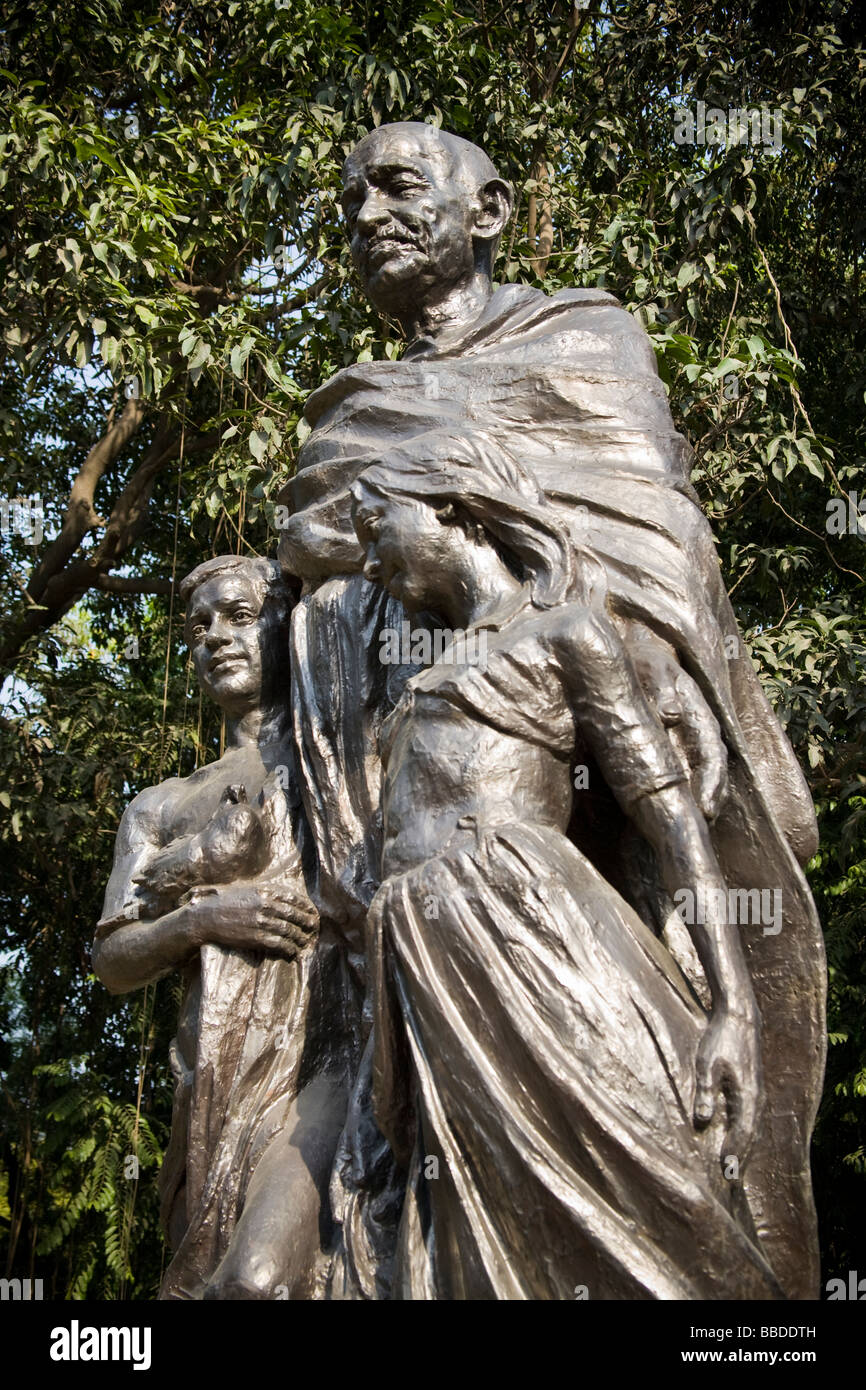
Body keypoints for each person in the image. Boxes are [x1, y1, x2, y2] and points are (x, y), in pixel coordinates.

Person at [276, 122, 824, 1299]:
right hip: (406, 843)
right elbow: (309, 542)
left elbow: (654, 530)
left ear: (487, 211)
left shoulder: (586, 344)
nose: (366, 214)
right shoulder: (354, 410)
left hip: (548, 819)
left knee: (621, 1136)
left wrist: (636, 665)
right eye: (350, 196)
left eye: (397, 184)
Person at [93, 556, 357, 1299]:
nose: (215, 637)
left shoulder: (335, 757)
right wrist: (205, 916)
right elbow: (113, 957)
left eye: (239, 618)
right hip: (209, 1077)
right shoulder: (159, 806)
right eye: (199, 626)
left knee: (254, 1280)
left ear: (287, 625)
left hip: (327, 1060)